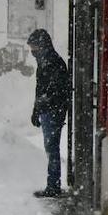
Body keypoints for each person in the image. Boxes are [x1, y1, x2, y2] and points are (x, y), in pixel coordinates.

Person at [27, 28, 70, 198]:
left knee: (51, 148)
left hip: (53, 111)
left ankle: (53, 185)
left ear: (42, 45)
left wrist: (43, 104)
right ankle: (53, 184)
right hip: (49, 110)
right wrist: (36, 110)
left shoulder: (53, 62)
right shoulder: (45, 61)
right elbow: (41, 90)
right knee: (50, 148)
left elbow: (55, 90)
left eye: (34, 47)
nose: (32, 52)